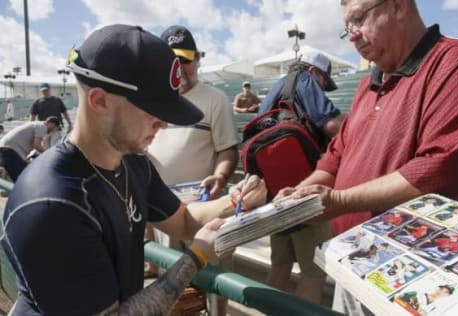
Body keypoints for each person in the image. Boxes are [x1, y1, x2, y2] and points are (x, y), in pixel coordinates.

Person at [0, 24, 267, 316]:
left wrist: (234, 201)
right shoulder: (53, 203)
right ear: (99, 100)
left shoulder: (132, 161)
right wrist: (195, 257)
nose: (163, 123)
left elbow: (184, 220)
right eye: (152, 110)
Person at [254, 0, 458, 314]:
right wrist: (301, 193)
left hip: (414, 276)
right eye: (348, 28)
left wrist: (340, 201)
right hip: (352, 259)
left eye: (358, 19)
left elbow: (435, 170)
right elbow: (334, 158)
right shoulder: (367, 84)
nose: (353, 35)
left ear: (398, 6)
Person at [147, 24, 240, 316]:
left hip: (206, 208)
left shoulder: (215, 99)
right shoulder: (152, 100)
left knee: (214, 282)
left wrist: (221, 176)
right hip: (165, 210)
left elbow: (228, 149)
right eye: (172, 60)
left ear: (197, 60)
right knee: (172, 284)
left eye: (186, 59)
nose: (180, 67)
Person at [258, 47, 346, 304]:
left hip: (275, 192)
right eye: (324, 81)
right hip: (303, 191)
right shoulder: (306, 80)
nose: (322, 87)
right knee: (314, 271)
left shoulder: (276, 87)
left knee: (280, 264)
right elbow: (331, 125)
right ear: (313, 70)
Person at [0, 116, 60, 181]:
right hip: (10, 151)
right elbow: (36, 145)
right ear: (52, 124)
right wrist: (49, 154)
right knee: (21, 178)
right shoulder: (42, 127)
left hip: (6, 149)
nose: (53, 131)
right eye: (54, 128)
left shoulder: (35, 124)